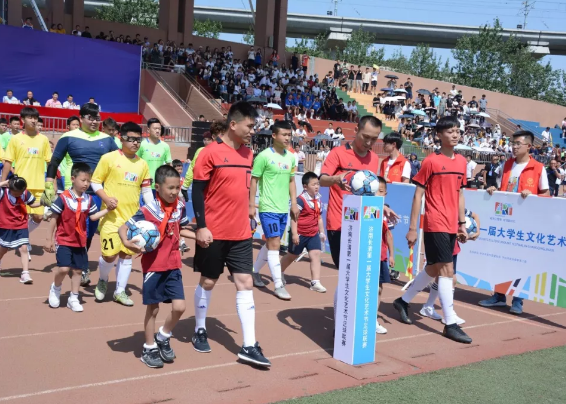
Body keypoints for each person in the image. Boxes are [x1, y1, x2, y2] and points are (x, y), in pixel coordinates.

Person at [191, 102, 270, 367]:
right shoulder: (209, 153)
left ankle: (249, 345)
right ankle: (199, 328)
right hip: (213, 232)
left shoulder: (249, 154)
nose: (253, 131)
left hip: (241, 233)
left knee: (245, 283)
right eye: (250, 126)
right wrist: (201, 226)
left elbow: (244, 189)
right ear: (233, 124)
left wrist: (250, 210)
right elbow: (197, 191)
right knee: (208, 281)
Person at [392, 115, 472, 344]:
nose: (455, 134)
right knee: (447, 270)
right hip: (435, 222)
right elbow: (418, 196)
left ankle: (403, 301)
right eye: (450, 131)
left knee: (434, 269)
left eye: (457, 131)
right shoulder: (431, 162)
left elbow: (460, 194)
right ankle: (450, 323)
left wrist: (461, 224)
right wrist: (413, 228)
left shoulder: (462, 162)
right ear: (439, 135)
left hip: (452, 224)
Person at [118, 165, 194, 368]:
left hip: (173, 264)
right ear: (158, 188)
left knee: (180, 307)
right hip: (153, 266)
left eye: (177, 188)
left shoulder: (179, 207)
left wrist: (198, 237)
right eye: (170, 188)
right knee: (153, 309)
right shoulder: (148, 210)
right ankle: (149, 348)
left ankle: (163, 336)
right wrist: (126, 242)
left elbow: (180, 228)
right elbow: (123, 227)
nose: (174, 192)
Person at [44, 103, 119, 286]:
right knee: (75, 228)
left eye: (97, 118)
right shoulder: (69, 137)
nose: (94, 122)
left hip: (99, 193)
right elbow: (54, 161)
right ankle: (81, 266)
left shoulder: (107, 139)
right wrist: (48, 183)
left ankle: (78, 260)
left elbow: (119, 162)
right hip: (75, 193)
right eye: (90, 118)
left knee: (89, 232)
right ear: (81, 118)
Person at [480, 130, 549, 315]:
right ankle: (499, 296)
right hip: (505, 221)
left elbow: (546, 195)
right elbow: (501, 188)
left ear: (529, 146)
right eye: (513, 143)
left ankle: (518, 300)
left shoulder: (538, 168)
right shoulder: (506, 165)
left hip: (525, 224)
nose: (514, 147)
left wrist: (532, 196)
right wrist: (493, 189)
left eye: (518, 143)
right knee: (501, 259)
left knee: (520, 262)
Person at [91, 122, 153, 307]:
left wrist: (153, 211)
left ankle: (120, 291)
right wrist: (106, 198)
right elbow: (95, 182)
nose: (135, 143)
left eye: (138, 140)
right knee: (109, 256)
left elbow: (146, 190)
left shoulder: (142, 164)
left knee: (126, 255)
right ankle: (103, 280)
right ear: (121, 138)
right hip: (111, 218)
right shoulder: (108, 158)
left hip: (132, 220)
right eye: (131, 139)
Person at [45, 163, 109, 312]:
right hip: (64, 239)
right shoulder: (63, 198)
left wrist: (108, 210)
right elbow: (53, 219)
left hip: (80, 241)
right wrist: (49, 239)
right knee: (63, 269)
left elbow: (93, 216)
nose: (86, 184)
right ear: (73, 179)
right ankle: (56, 288)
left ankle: (73, 297)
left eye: (88, 181)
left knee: (78, 271)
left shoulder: (88, 199)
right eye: (83, 180)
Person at [249, 121, 298, 298]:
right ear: (274, 136)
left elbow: (291, 181)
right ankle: (278, 284)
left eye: (289, 135)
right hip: (268, 208)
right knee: (275, 244)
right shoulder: (263, 156)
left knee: (271, 243)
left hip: (283, 209)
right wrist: (251, 205)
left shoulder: (291, 157)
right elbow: (254, 181)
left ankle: (254, 271)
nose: (287, 138)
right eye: (284, 134)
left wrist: (293, 203)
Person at [1, 107, 52, 263]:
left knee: (38, 216)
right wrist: (3, 182)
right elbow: (8, 161)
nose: (34, 120)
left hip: (39, 185)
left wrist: (51, 184)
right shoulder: (16, 139)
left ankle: (23, 238)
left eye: (35, 117)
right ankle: (22, 242)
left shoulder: (43, 139)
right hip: (20, 186)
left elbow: (50, 162)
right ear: (22, 120)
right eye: (30, 117)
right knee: (21, 218)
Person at [420, 208, 481, 324]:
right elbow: (440, 229)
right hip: (442, 244)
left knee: (440, 277)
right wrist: (459, 235)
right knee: (449, 278)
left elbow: (476, 216)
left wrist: (477, 232)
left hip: (453, 247)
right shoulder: (442, 209)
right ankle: (448, 314)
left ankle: (428, 306)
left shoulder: (459, 208)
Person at [279, 172, 327, 293]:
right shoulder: (300, 200)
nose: (317, 187)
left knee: (315, 254)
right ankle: (278, 273)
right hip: (300, 233)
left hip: (313, 234)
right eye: (313, 184)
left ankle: (315, 282)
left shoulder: (318, 199)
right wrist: (295, 234)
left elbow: (319, 217)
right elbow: (294, 218)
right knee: (292, 256)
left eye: (318, 184)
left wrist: (321, 232)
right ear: (305, 186)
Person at [0, 176, 42, 282]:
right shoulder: (3, 192)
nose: (18, 194)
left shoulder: (25, 193)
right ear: (9, 188)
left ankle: (25, 274)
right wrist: (4, 183)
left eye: (20, 192)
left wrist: (43, 202)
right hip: (6, 225)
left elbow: (32, 204)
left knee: (24, 248)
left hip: (21, 224)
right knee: (3, 249)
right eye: (15, 193)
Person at [181, 121, 226, 201]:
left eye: (208, 139)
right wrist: (185, 186)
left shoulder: (229, 152)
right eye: (204, 139)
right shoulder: (201, 151)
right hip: (206, 191)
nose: (206, 141)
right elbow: (192, 168)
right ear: (214, 137)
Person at [375, 177, 394, 334]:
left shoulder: (385, 212)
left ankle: (372, 319)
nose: (378, 194)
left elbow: (388, 235)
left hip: (381, 256)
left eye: (381, 191)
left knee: (379, 289)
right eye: (375, 191)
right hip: (368, 256)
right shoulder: (366, 209)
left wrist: (391, 254)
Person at [137, 118, 172, 198]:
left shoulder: (165, 146)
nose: (157, 131)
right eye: (155, 128)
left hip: (159, 186)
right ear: (148, 130)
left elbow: (168, 166)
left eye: (159, 129)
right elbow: (135, 163)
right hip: (144, 185)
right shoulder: (141, 145)